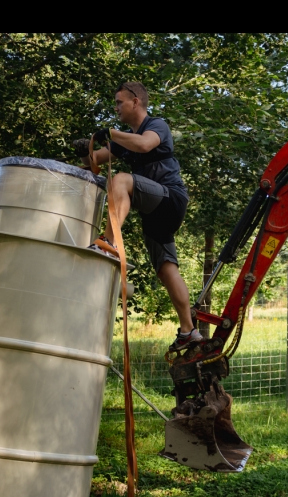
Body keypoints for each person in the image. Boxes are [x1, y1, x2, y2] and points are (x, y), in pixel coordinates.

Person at [73, 82, 202, 350]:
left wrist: (110, 133)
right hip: (155, 213)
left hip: (170, 198)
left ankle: (108, 244)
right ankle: (189, 331)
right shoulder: (124, 141)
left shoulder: (157, 126)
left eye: (119, 102)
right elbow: (95, 161)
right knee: (167, 270)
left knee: (120, 180)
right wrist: (85, 152)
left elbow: (144, 145)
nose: (116, 107)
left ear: (135, 102)